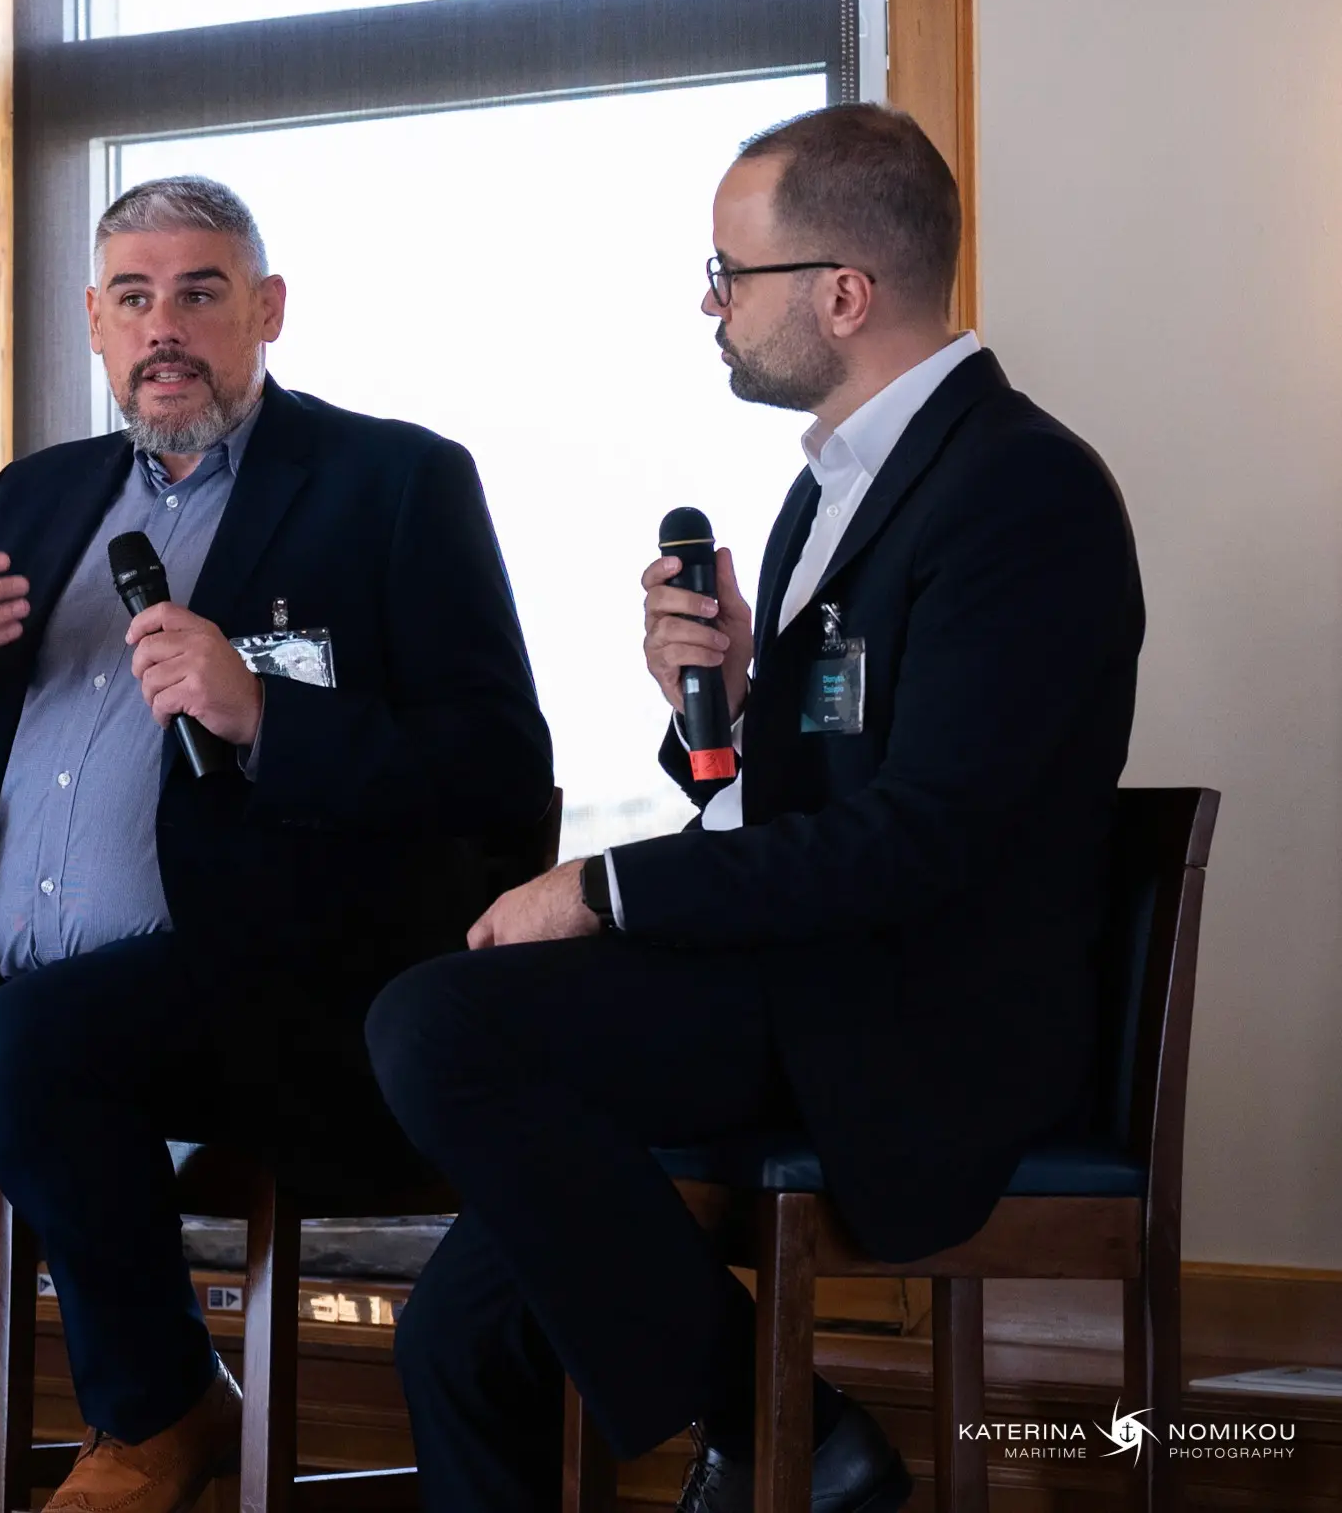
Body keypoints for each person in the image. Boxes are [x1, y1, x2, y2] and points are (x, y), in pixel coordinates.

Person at [367, 104, 1146, 1513]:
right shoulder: (824, 498)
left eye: (731, 273)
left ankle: (783, 1423)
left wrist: (605, 888)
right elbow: (803, 800)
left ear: (842, 293)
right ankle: (780, 1424)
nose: (710, 307)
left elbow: (921, 839)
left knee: (437, 1023)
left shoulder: (1022, 491)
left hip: (915, 1021)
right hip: (803, 982)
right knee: (458, 1335)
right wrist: (707, 713)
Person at [0, 178, 554, 1513]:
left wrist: (265, 716)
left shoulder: (394, 482)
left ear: (268, 309)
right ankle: (164, 1401)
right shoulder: (40, 495)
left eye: (200, 292)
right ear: (94, 321)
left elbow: (500, 775)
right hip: (4, 1008)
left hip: (266, 988)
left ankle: (159, 1408)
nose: (163, 326)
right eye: (134, 296)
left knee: (29, 1048)